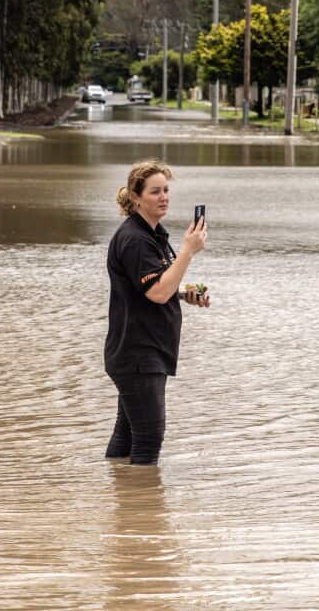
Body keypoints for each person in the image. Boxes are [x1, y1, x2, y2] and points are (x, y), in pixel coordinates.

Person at [104, 160, 209, 465]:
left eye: (166, 190)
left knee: (127, 437)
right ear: (136, 197)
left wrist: (184, 294)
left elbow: (156, 289)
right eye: (154, 192)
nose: (164, 197)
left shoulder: (152, 235)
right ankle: (141, 510)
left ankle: (120, 497)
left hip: (142, 352)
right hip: (138, 354)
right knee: (149, 438)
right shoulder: (135, 239)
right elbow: (157, 292)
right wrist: (188, 250)